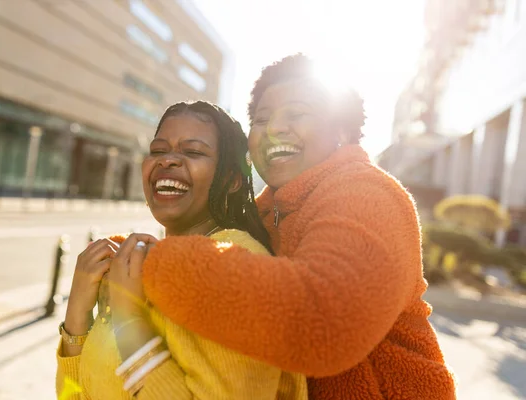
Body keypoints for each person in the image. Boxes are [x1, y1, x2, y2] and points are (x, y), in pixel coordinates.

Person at [123, 54, 457, 399]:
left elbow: (323, 322)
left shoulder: (367, 193)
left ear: (341, 130)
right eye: (261, 118)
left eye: (297, 114)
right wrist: (119, 258)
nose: (274, 128)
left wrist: (152, 264)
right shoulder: (266, 212)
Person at [56, 101, 308, 399]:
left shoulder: (236, 269)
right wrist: (77, 318)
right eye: (159, 150)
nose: (168, 161)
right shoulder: (139, 268)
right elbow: (80, 393)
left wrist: (128, 321)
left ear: (232, 180)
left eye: (193, 152)